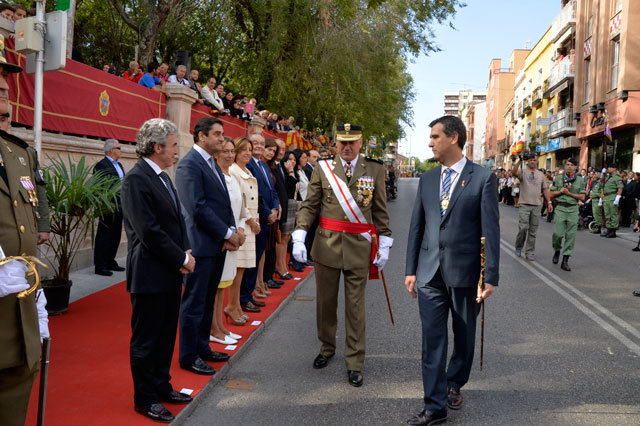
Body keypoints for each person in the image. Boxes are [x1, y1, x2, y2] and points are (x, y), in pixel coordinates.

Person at [404, 115, 499, 426]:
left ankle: (454, 382)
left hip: (467, 275)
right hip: (430, 273)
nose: (430, 142)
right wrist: (410, 269)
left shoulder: (483, 178)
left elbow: (490, 232)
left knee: (464, 337)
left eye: (435, 136)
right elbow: (417, 227)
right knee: (432, 341)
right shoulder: (427, 179)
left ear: (454, 138)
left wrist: (489, 277)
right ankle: (434, 406)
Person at [292, 123, 392, 388]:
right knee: (325, 303)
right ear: (335, 144)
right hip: (327, 246)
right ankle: (326, 347)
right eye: (342, 143)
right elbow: (310, 204)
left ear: (361, 143)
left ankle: (355, 362)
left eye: (352, 142)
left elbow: (380, 210)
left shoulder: (375, 168)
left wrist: (385, 243)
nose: (347, 147)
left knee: (355, 308)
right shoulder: (324, 169)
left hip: (359, 247)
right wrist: (300, 233)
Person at [121, 118, 195, 422]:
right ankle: (145, 397)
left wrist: (185, 250)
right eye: (174, 145)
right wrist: (182, 258)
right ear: (156, 146)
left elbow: (177, 219)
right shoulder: (137, 179)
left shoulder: (163, 176)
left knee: (165, 335)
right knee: (147, 340)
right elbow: (149, 231)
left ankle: (162, 387)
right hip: (149, 274)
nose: (177, 151)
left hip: (168, 271)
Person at [0, 38, 50, 426]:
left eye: (5, 78)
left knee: (18, 382)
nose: (4, 88)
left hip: (18, 306)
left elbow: (30, 210)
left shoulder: (17, 152)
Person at [175, 117, 239, 375]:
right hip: (201, 245)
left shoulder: (211, 163)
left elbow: (223, 202)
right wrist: (226, 232)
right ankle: (189, 356)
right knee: (194, 303)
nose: (222, 139)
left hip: (217, 245)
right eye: (217, 134)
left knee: (206, 301)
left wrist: (231, 230)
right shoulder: (189, 165)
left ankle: (202, 347)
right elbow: (197, 208)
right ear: (201, 136)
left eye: (222, 134)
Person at [209, 138, 246, 345]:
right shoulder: (215, 177)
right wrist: (228, 235)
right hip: (222, 239)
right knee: (215, 287)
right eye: (226, 151)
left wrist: (239, 230)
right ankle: (214, 328)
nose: (230, 155)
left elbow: (239, 210)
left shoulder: (232, 178)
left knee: (223, 285)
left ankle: (220, 326)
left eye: (233, 151)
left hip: (233, 238)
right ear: (217, 154)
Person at [241, 133, 279, 312]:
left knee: (256, 258)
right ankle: (243, 297)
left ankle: (249, 294)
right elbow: (257, 196)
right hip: (256, 218)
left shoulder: (264, 165)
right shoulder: (247, 165)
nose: (258, 146)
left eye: (261, 144)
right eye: (254, 143)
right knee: (249, 261)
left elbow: (272, 191)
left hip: (266, 219)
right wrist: (267, 212)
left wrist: (276, 208)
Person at [226, 137, 261, 324]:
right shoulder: (233, 171)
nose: (247, 153)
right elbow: (239, 202)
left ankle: (236, 305)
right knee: (237, 270)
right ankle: (232, 306)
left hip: (250, 224)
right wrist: (251, 221)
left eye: (250, 149)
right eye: (243, 150)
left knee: (242, 269)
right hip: (242, 224)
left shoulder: (246, 170)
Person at [512, 152, 552, 261]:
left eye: (534, 160)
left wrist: (549, 202)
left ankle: (530, 251)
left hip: (537, 205)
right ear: (528, 161)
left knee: (533, 231)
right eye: (530, 160)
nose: (533, 162)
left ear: (537, 161)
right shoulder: (523, 172)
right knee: (523, 228)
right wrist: (520, 160)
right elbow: (513, 172)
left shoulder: (541, 174)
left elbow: (545, 189)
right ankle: (519, 247)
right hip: (524, 204)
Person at [93, 139, 126, 276]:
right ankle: (100, 266)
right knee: (104, 236)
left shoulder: (120, 165)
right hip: (108, 207)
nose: (121, 150)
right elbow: (99, 187)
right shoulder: (101, 165)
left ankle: (110, 261)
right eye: (119, 148)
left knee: (116, 235)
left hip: (120, 206)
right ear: (112, 150)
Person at [550, 158, 586, 271]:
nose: (569, 167)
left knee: (570, 236)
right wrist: (561, 191)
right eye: (567, 164)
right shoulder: (559, 178)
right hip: (560, 208)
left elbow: (582, 197)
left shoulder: (580, 180)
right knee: (557, 234)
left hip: (573, 209)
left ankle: (565, 260)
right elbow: (551, 193)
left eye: (571, 165)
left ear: (576, 167)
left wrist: (569, 193)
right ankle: (557, 250)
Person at [600, 163, 623, 238]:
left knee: (613, 214)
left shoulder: (617, 177)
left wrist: (617, 198)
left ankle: (613, 231)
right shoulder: (608, 177)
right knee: (607, 215)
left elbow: (620, 187)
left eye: (610, 167)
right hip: (606, 197)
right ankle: (609, 230)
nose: (608, 169)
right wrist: (602, 174)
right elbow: (601, 181)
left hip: (612, 197)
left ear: (614, 168)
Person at [590, 169, 604, 234]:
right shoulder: (595, 182)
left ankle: (599, 228)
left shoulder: (601, 182)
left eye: (597, 173)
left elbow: (602, 191)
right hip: (593, 199)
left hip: (598, 199)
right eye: (595, 173)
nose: (596, 174)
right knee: (595, 214)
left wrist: (601, 199)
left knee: (598, 214)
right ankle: (596, 226)